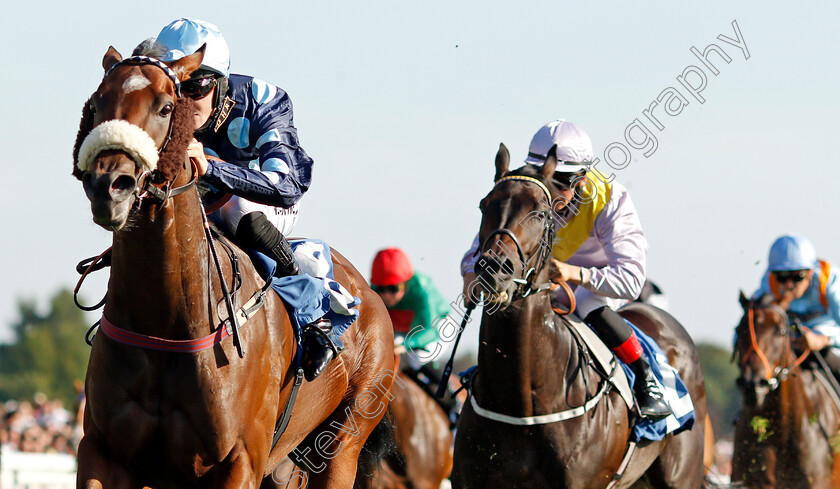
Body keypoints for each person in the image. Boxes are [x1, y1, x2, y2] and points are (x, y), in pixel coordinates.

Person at [153, 18, 335, 381]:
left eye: (197, 85)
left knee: (238, 208)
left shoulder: (265, 101)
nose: (185, 100)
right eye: (176, 87)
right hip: (197, 207)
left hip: (264, 205)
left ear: (220, 81)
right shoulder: (159, 110)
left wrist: (213, 169)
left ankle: (311, 308)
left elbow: (288, 184)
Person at [461, 119, 672, 419]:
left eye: (558, 180)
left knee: (585, 300)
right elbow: (488, 245)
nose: (546, 186)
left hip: (598, 285)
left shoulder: (611, 200)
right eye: (541, 174)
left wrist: (575, 275)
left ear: (582, 180)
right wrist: (470, 271)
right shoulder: (524, 192)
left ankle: (646, 380)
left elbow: (631, 280)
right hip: (541, 284)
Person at [753, 235, 840, 371]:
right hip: (788, 335)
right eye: (782, 277)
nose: (789, 284)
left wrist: (823, 340)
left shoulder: (829, 280)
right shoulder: (769, 284)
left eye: (797, 276)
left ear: (810, 272)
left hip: (827, 337)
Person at [370, 248, 451, 372]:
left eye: (393, 288)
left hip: (437, 328)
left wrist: (406, 344)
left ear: (406, 283)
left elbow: (429, 331)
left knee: (417, 358)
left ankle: (446, 389)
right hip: (405, 331)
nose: (387, 295)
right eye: (381, 289)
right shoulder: (373, 291)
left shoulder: (422, 289)